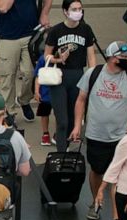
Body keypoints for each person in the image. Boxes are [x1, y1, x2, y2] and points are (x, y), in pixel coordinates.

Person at [72, 42, 127, 220]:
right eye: (124, 57)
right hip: (96, 134)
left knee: (118, 176)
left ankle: (116, 217)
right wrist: (77, 126)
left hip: (121, 137)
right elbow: (81, 99)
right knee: (97, 171)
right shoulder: (93, 74)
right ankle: (96, 201)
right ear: (112, 57)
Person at [43, 0, 95, 149]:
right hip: (59, 77)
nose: (78, 12)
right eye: (74, 9)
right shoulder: (56, 31)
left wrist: (92, 76)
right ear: (66, 11)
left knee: (74, 119)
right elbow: (46, 55)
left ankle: (67, 149)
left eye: (80, 9)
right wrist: (58, 58)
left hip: (78, 76)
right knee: (62, 121)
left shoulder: (86, 29)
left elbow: (91, 56)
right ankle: (60, 153)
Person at [0, 0, 51, 122]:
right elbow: (2, 7)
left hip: (30, 34)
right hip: (8, 36)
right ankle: (9, 111)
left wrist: (44, 13)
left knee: (30, 74)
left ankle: (24, 100)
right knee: (8, 76)